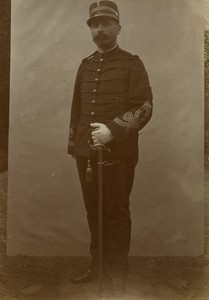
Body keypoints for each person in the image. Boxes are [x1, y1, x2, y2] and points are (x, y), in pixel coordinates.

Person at [68, 0, 153, 297]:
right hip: (87, 153)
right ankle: (98, 266)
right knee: (94, 211)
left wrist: (112, 130)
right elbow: (77, 109)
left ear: (118, 27)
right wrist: (77, 146)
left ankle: (117, 272)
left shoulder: (132, 63)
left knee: (116, 211)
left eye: (105, 23)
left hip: (119, 152)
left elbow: (144, 107)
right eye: (94, 24)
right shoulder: (86, 65)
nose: (99, 29)